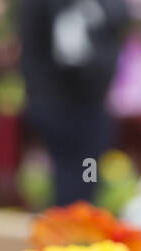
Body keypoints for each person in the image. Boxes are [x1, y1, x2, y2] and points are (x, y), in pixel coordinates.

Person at [20, 0, 131, 204]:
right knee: (69, 176)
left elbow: (119, 17)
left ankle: (80, 221)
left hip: (91, 101)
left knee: (88, 173)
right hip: (57, 101)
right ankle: (68, 225)